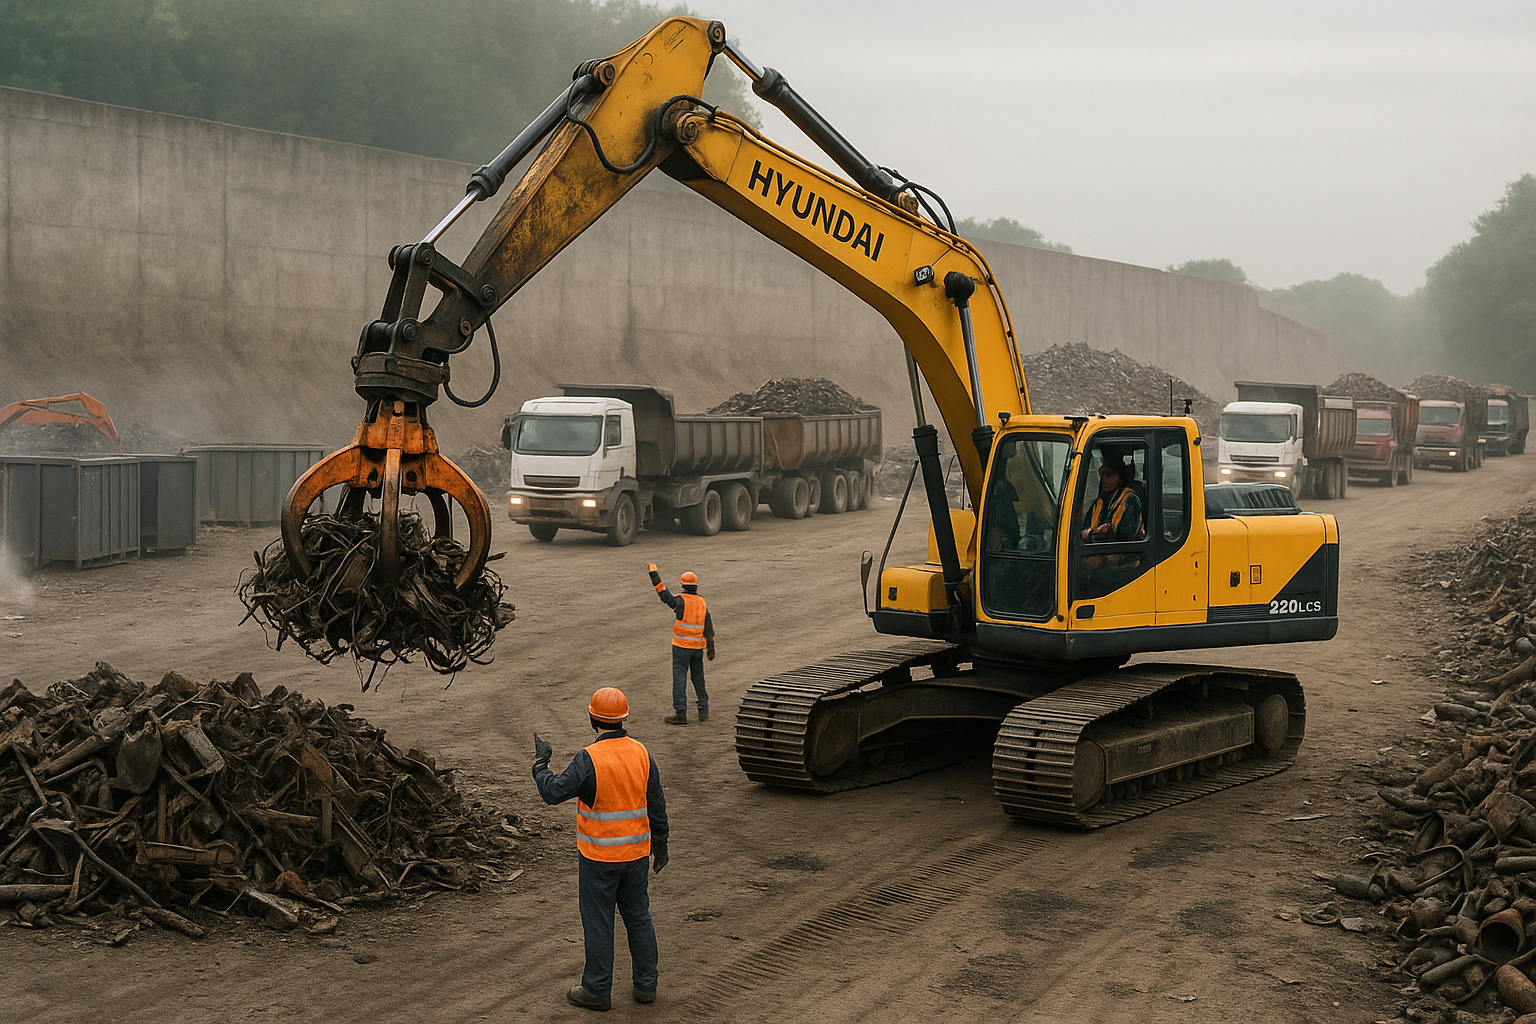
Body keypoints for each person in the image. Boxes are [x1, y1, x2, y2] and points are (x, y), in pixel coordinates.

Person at [533, 687, 669, 1011]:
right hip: (636, 856)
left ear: (592, 718)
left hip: (598, 858)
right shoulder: (641, 753)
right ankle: (646, 986)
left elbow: (553, 792)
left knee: (598, 922)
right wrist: (661, 844)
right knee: (638, 918)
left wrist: (540, 765)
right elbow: (656, 803)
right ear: (624, 718)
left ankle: (596, 990)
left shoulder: (588, 759)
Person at [647, 564, 715, 725]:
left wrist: (654, 576)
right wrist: (711, 647)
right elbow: (709, 627)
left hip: (681, 648)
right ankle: (703, 710)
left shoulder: (681, 601)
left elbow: (664, 596)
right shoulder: (702, 603)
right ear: (696, 585)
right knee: (698, 678)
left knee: (679, 679)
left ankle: (681, 713)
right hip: (697, 649)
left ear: (683, 585)